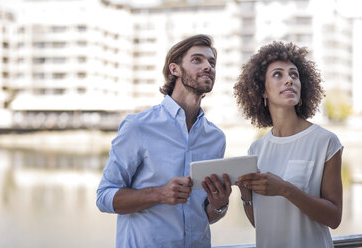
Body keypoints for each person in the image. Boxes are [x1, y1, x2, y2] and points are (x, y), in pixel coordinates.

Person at [96, 34, 232, 248]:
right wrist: (159, 193)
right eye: (197, 60)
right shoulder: (138, 126)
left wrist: (219, 205)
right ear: (174, 69)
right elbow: (104, 197)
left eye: (211, 62)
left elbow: (205, 215)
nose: (208, 66)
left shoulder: (216, 138)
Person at [233, 41, 343, 248]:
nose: (289, 80)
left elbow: (334, 218)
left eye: (294, 75)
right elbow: (261, 223)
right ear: (262, 91)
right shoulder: (256, 150)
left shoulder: (325, 141)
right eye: (278, 74)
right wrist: (246, 196)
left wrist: (284, 189)